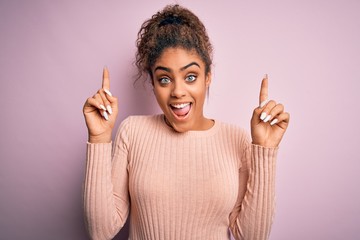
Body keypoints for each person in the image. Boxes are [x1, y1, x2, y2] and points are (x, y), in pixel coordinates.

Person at [82, 4, 289, 240]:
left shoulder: (237, 139)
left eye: (190, 77)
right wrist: (99, 139)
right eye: (164, 79)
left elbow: (251, 236)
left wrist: (265, 150)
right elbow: (101, 231)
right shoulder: (132, 132)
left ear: (207, 77)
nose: (178, 91)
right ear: (152, 82)